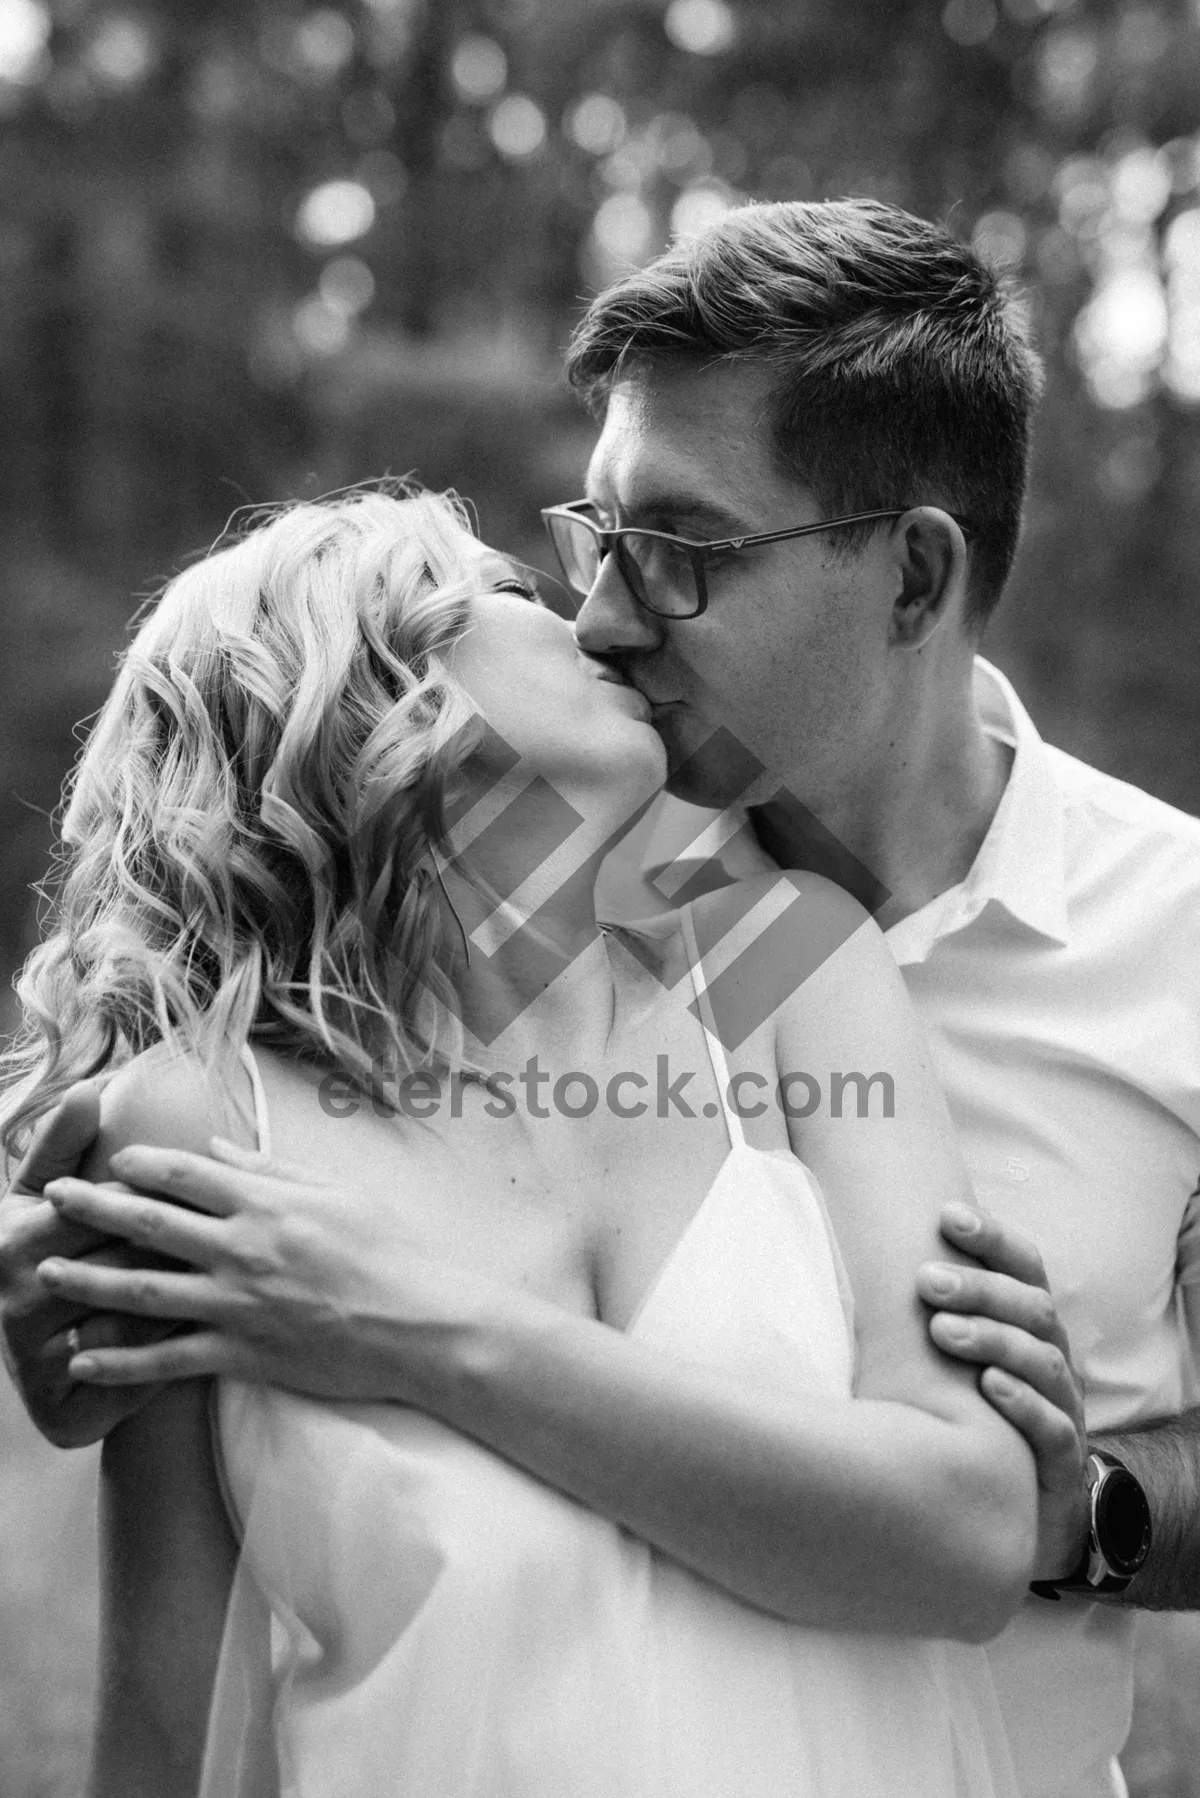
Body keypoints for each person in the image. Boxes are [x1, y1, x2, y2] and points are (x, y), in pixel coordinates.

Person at [5, 198, 1195, 1794]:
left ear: (914, 577)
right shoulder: (608, 900)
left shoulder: (1092, 944)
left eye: (684, 550)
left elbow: (965, 1527)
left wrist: (1084, 1505)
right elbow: (161, 1703)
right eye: (593, 538)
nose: (601, 617)